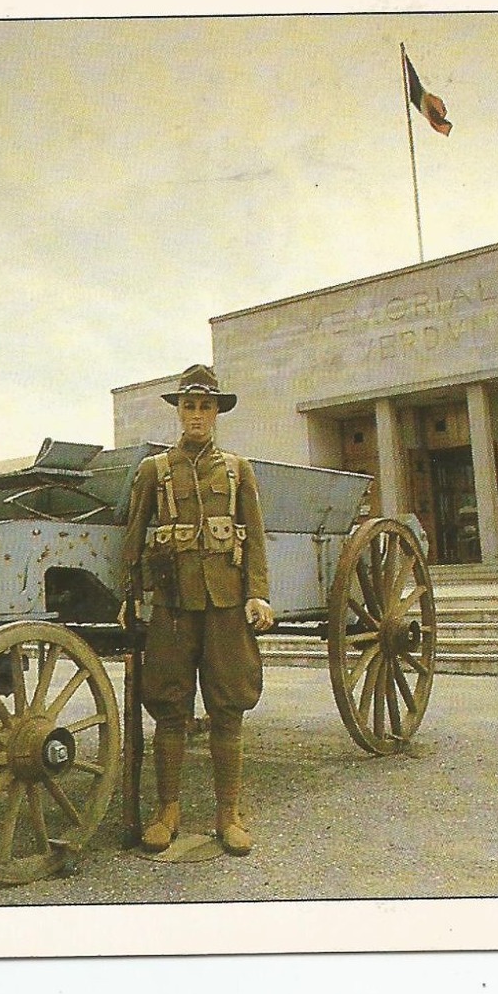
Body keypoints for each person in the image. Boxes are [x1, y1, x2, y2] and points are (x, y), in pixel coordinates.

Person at [121, 364, 275, 856]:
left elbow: (255, 538)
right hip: (171, 605)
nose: (196, 415)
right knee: (169, 708)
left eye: (205, 406)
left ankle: (228, 815)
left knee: (228, 708)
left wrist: (258, 593)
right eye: (189, 406)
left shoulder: (236, 469)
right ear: (179, 412)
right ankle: (167, 811)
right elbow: (133, 536)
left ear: (216, 413)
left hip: (227, 605)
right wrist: (131, 597)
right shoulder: (155, 470)